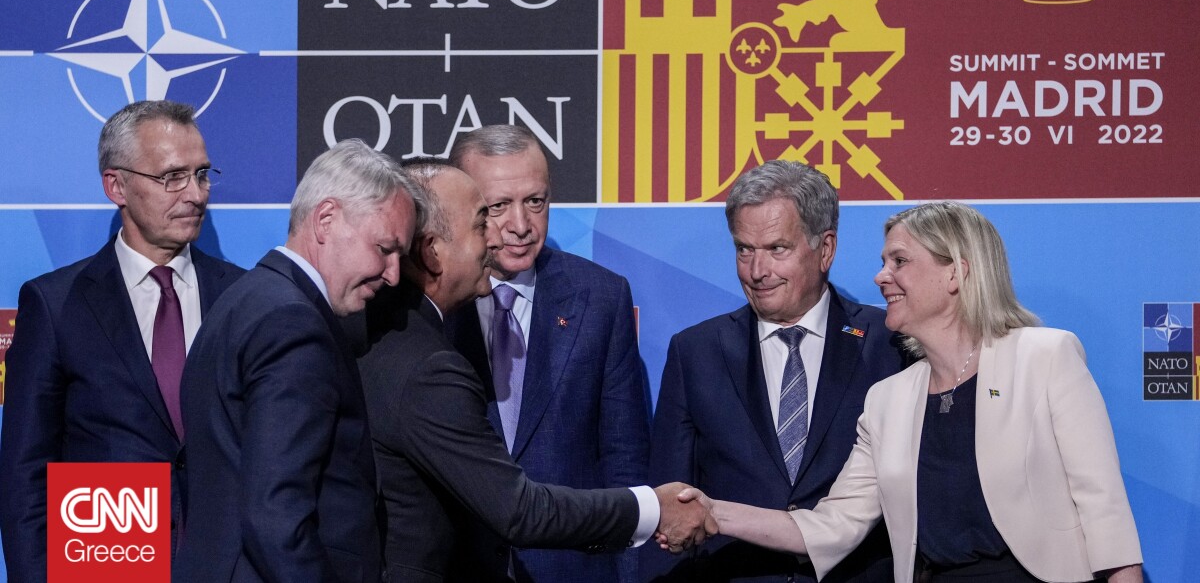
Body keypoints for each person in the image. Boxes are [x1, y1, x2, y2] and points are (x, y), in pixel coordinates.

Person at [677, 201, 1144, 583]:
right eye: (884, 262)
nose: (881, 276)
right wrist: (712, 511)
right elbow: (830, 526)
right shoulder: (887, 399)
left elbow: (1103, 508)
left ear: (956, 273)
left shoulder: (1044, 356)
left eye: (899, 261)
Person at [353, 160, 713, 582]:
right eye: (483, 221)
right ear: (431, 251)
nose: (496, 237)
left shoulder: (383, 327)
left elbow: (622, 454)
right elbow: (519, 510)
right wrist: (652, 507)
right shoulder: (426, 364)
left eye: (535, 201)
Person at [0, 100, 244, 581]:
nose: (195, 194)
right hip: (108, 563)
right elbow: (25, 475)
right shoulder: (54, 305)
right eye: (172, 177)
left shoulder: (242, 296)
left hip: (224, 565)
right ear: (116, 186)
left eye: (202, 175)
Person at [643, 160, 904, 583]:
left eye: (777, 249)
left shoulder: (889, 344)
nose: (757, 271)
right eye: (744, 249)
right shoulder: (695, 352)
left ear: (825, 249)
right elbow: (671, 504)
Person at [174, 139, 422, 583]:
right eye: (385, 248)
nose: (393, 274)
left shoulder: (244, 299)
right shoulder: (293, 324)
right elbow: (277, 514)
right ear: (326, 219)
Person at [443, 125, 652, 583]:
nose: (521, 225)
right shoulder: (430, 305)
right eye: (498, 206)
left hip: (571, 567)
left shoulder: (601, 298)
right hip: (456, 565)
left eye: (535, 201)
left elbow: (625, 461)